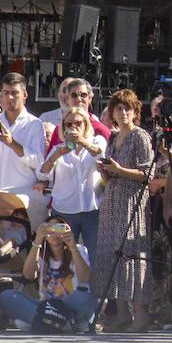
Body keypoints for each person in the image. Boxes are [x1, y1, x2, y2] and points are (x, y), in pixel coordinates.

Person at [93, 88, 157, 332]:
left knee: (132, 257)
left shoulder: (140, 136)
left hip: (131, 203)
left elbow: (147, 174)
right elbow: (112, 178)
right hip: (112, 201)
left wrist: (119, 170)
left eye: (127, 108)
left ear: (135, 111)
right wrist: (105, 172)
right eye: (118, 108)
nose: (122, 113)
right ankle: (121, 315)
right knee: (112, 257)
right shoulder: (112, 138)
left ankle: (140, 317)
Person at [0, 73, 48, 229]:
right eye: (6, 93)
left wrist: (12, 143)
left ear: (25, 95)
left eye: (15, 93)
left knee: (20, 246)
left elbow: (39, 162)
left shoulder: (35, 124)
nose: (10, 98)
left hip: (22, 200)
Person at [1, 217, 96, 331]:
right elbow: (28, 275)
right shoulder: (41, 253)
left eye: (58, 228)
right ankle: (61, 324)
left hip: (70, 305)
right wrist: (37, 241)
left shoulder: (78, 249)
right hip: (46, 306)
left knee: (83, 297)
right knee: (7, 296)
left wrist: (72, 246)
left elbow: (85, 278)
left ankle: (46, 322)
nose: (54, 233)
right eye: (50, 229)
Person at [38, 107, 107, 250]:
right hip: (63, 210)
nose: (73, 127)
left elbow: (101, 156)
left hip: (92, 209)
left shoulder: (96, 141)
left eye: (78, 123)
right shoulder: (59, 148)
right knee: (63, 255)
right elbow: (42, 174)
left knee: (95, 254)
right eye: (68, 124)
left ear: (86, 125)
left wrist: (82, 141)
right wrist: (56, 156)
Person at [43, 78, 112, 150]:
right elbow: (49, 159)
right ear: (67, 99)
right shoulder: (59, 130)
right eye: (74, 95)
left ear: (90, 98)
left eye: (83, 95)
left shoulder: (101, 130)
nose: (79, 99)